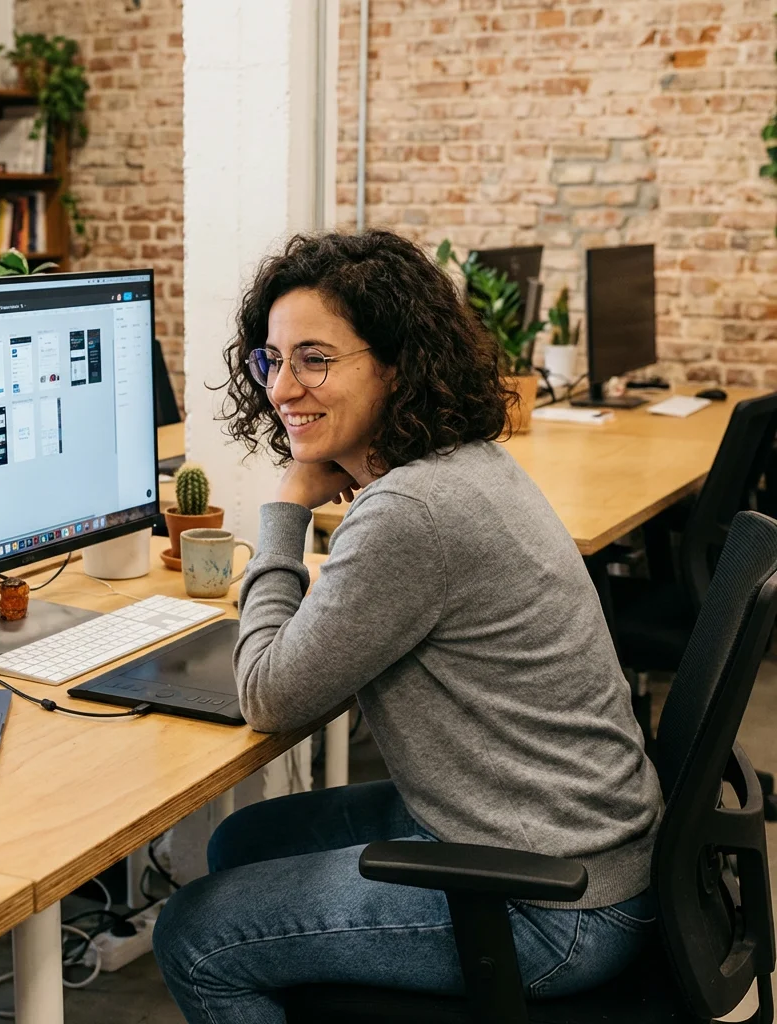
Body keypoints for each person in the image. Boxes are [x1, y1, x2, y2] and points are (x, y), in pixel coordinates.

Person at [152, 230, 663, 1023]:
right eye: (272, 359)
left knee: (196, 935)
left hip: (553, 906)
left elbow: (266, 696)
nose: (284, 387)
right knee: (240, 842)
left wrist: (286, 508)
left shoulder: (410, 513)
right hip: (566, 839)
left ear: (395, 363)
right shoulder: (461, 463)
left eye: (314, 358)